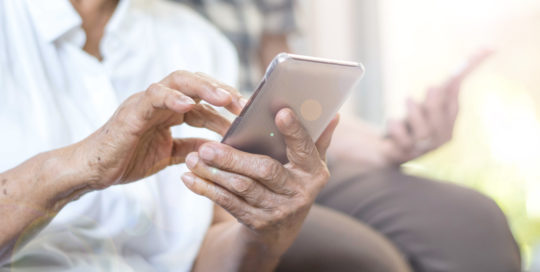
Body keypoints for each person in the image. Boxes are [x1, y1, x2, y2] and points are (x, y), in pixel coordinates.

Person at [0, 1, 521, 272]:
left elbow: (212, 255)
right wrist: (76, 168)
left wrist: (266, 231)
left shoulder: (192, 41)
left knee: (467, 225)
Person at [174, 0, 522, 271]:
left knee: (473, 223)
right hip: (187, 163)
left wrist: (384, 147)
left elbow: (285, 88)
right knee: (368, 261)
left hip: (283, 145)